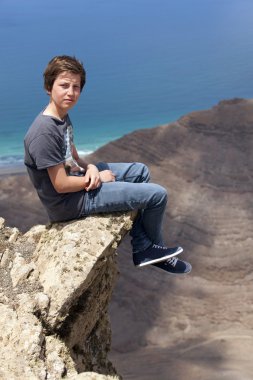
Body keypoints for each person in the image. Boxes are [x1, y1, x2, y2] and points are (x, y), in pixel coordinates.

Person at [24, 55, 191, 275]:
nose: (71, 93)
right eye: (64, 86)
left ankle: (143, 245)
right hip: (68, 203)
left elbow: (71, 156)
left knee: (140, 171)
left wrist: (91, 167)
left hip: (77, 184)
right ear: (49, 87)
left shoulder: (62, 117)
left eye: (76, 87)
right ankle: (153, 250)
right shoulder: (44, 132)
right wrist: (98, 179)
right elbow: (61, 184)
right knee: (158, 195)